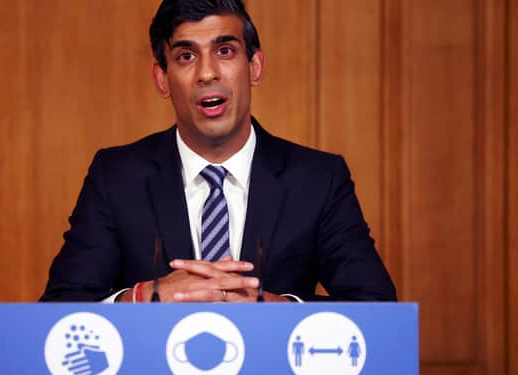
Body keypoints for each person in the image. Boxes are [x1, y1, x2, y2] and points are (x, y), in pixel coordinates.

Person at [40, 0, 396, 305]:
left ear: (254, 66)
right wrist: (142, 298)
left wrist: (279, 311)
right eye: (185, 56)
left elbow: (378, 309)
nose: (207, 73)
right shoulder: (116, 176)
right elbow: (57, 308)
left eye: (225, 51)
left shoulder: (318, 179)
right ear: (162, 79)